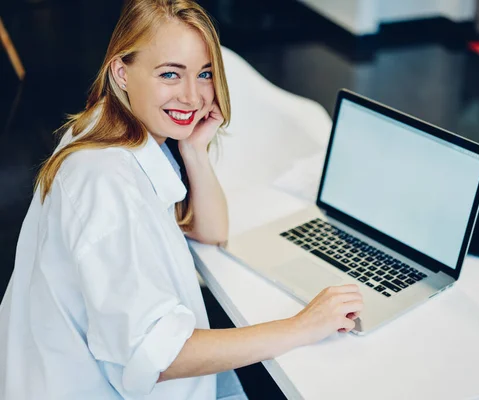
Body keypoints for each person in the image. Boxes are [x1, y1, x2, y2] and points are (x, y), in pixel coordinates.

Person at [0, 1, 363, 399]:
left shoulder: (116, 125)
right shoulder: (104, 181)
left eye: (204, 74)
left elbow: (211, 230)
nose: (192, 97)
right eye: (170, 74)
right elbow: (160, 357)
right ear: (122, 71)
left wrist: (194, 151)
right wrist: (302, 325)